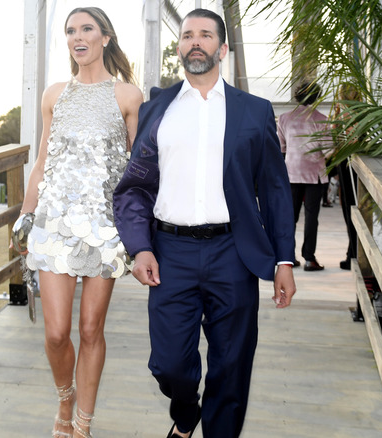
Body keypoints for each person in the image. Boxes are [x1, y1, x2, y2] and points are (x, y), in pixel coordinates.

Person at [113, 9, 296, 438]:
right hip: (169, 252)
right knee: (170, 363)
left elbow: (273, 189)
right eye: (188, 35)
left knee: (231, 365)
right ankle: (186, 412)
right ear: (179, 47)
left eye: (206, 35)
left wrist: (284, 260)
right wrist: (140, 247)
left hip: (233, 252)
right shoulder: (157, 107)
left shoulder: (254, 111)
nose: (196, 41)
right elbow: (134, 187)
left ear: (223, 48)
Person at [13, 7, 142, 438]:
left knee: (90, 329)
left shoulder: (127, 96)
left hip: (104, 230)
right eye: (70, 31)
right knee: (55, 333)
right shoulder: (54, 95)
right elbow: (41, 163)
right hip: (54, 223)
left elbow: (137, 174)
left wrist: (138, 233)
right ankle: (64, 399)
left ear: (105, 37)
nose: (77, 37)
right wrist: (25, 216)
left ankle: (81, 423)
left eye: (86, 29)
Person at [277, 82, 333, 271]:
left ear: (296, 97)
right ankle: (309, 259)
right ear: (317, 97)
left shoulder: (284, 119)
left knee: (289, 218)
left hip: (291, 174)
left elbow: (281, 148)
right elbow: (328, 151)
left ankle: (288, 258)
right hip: (314, 176)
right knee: (311, 218)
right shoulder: (322, 119)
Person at [334, 83, 360, 270]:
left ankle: (354, 253)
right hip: (352, 162)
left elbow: (339, 139)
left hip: (347, 163)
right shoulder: (361, 114)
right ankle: (353, 252)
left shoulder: (345, 115)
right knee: (353, 209)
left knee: (349, 209)